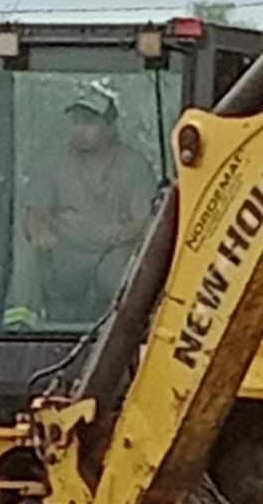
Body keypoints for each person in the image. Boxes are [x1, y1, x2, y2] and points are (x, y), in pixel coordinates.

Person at [8, 81, 157, 330]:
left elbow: (146, 222)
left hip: (110, 257)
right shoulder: (53, 163)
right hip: (64, 256)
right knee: (27, 256)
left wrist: (114, 235)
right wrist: (38, 232)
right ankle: (16, 332)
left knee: (128, 272)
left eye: (89, 122)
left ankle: (128, 335)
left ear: (110, 127)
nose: (80, 129)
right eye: (76, 122)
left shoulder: (135, 166)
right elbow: (35, 211)